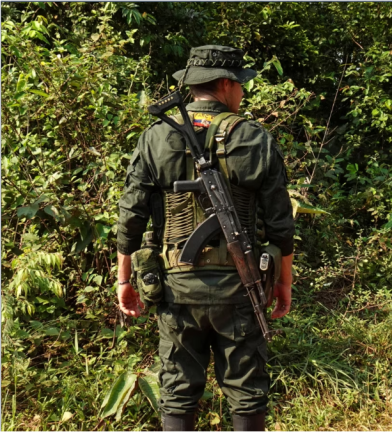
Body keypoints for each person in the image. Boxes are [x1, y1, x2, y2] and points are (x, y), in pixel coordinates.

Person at [115, 45, 295, 432]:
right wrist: (283, 282)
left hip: (178, 289)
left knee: (178, 389)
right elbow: (280, 223)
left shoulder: (156, 138)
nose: (243, 93)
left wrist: (123, 279)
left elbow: (130, 216)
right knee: (247, 391)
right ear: (227, 84)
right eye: (241, 85)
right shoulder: (255, 138)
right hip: (240, 290)